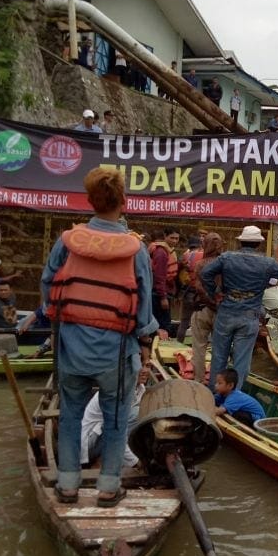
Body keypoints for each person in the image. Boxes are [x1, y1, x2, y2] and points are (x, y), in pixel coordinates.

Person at [41, 166, 157, 507]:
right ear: (124, 200)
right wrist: (146, 344)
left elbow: (49, 290)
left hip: (71, 350)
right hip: (116, 354)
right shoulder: (136, 250)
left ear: (90, 201)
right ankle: (108, 488)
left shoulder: (66, 243)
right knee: (116, 418)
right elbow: (144, 311)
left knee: (71, 415)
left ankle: (67, 486)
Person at [201, 225, 278, 390]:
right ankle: (234, 395)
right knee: (241, 360)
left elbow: (206, 273)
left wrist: (214, 293)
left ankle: (214, 392)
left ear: (241, 242)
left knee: (219, 356)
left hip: (226, 311)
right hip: (249, 316)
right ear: (259, 244)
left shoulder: (226, 258)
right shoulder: (266, 262)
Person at [80, 364, 148, 472]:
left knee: (142, 415)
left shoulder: (139, 389)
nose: (145, 370)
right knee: (136, 414)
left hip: (108, 438)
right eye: (139, 366)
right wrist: (136, 462)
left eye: (147, 366)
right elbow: (117, 433)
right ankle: (101, 461)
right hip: (89, 446)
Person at [190, 231, 223, 386]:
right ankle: (217, 383)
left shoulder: (200, 264)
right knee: (219, 348)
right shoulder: (225, 263)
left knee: (198, 347)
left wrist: (209, 302)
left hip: (202, 308)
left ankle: (198, 379)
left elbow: (198, 288)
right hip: (220, 311)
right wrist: (216, 304)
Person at [148, 229, 178, 332]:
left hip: (162, 291)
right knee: (163, 326)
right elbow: (159, 276)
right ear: (165, 236)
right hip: (159, 294)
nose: (175, 241)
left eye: (177, 238)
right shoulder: (161, 252)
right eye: (172, 238)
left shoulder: (166, 251)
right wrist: (163, 297)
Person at [176, 235, 203, 344]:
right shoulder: (203, 255)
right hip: (199, 294)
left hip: (186, 292)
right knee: (198, 323)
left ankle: (178, 343)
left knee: (184, 321)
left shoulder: (184, 256)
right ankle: (196, 346)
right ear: (200, 245)